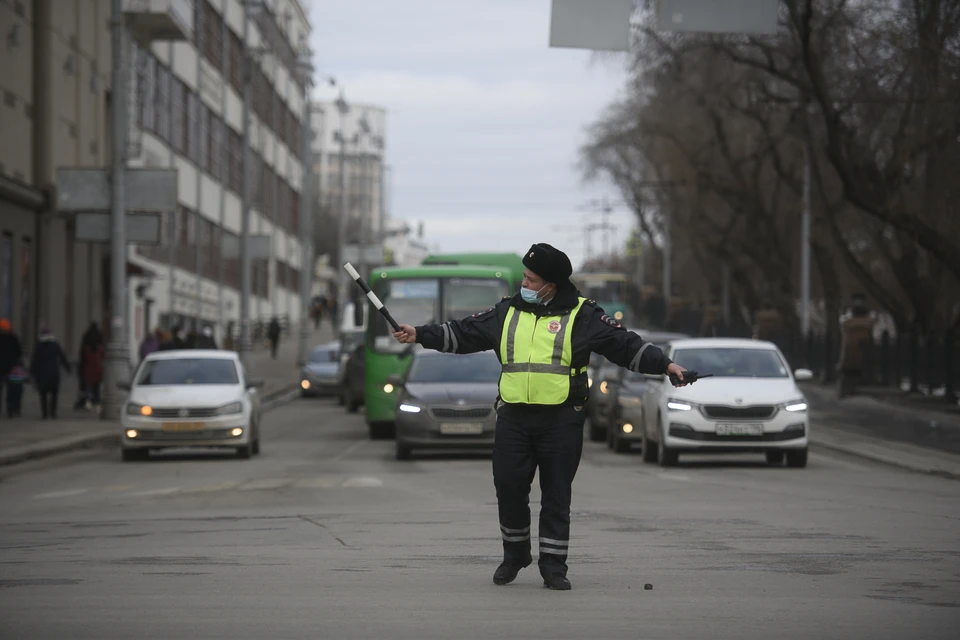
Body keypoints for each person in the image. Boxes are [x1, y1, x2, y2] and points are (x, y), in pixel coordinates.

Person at [391, 243, 689, 591]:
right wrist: (420, 334)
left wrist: (666, 365)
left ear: (552, 284)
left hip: (561, 419)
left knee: (556, 495)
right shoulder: (507, 312)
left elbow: (626, 345)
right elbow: (464, 332)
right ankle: (515, 554)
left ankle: (553, 567)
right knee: (509, 488)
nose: (525, 284)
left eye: (532, 280)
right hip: (514, 418)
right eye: (525, 277)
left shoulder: (584, 314)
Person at [30, 327, 71, 419]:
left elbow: (34, 359)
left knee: (43, 394)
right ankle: (53, 412)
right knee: (54, 394)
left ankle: (44, 413)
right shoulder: (55, 344)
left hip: (42, 373)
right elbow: (62, 356)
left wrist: (32, 372)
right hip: (53, 372)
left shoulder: (38, 345)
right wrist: (68, 368)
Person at [0, 318, 24, 418]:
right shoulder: (13, 338)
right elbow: (19, 352)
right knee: (13, 390)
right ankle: (11, 409)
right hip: (12, 367)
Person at [80, 323, 105, 409]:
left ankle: (88, 402)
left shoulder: (87, 349)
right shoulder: (100, 348)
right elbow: (103, 356)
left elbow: (82, 356)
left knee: (88, 386)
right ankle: (97, 402)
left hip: (88, 367)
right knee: (97, 386)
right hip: (97, 368)